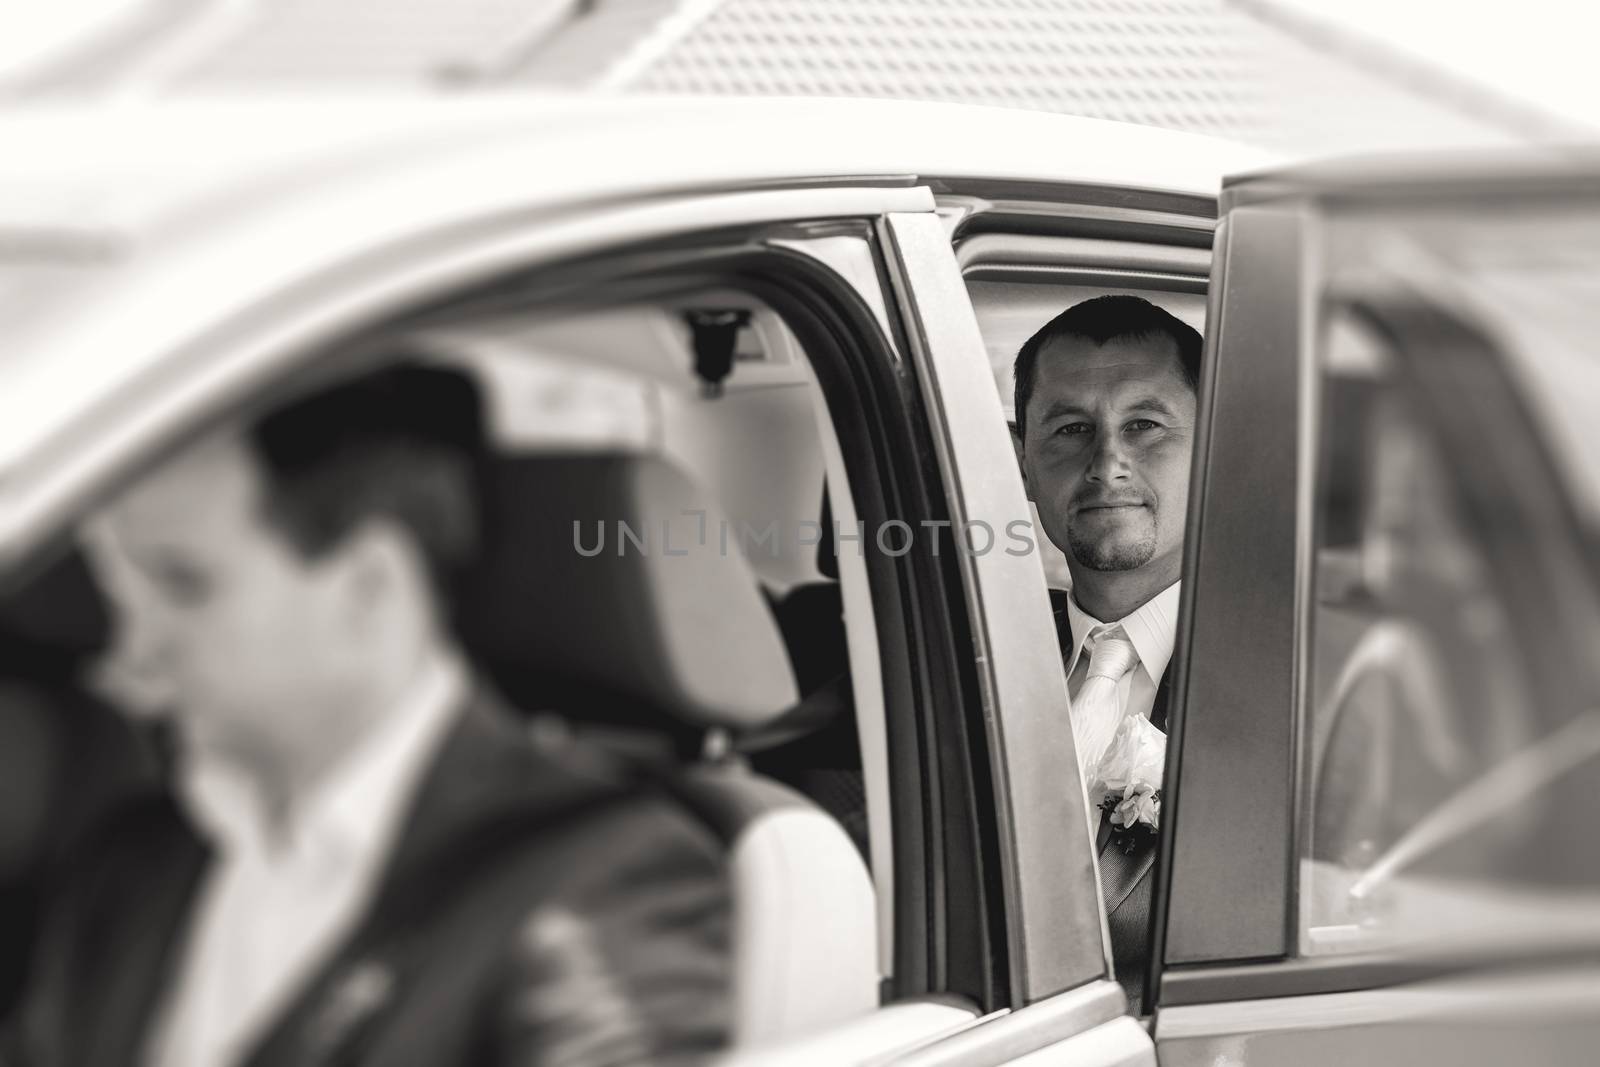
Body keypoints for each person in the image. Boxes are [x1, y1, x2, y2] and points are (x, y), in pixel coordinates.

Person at [8, 363, 730, 1067]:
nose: (131, 656)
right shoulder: (129, 863)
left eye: (184, 585)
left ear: (368, 585)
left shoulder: (594, 877)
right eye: (121, 595)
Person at [1011, 294, 1200, 1012]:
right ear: (1021, 462)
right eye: (1069, 429)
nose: (1108, 464)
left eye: (1145, 425)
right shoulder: (960, 660)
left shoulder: (1302, 674)